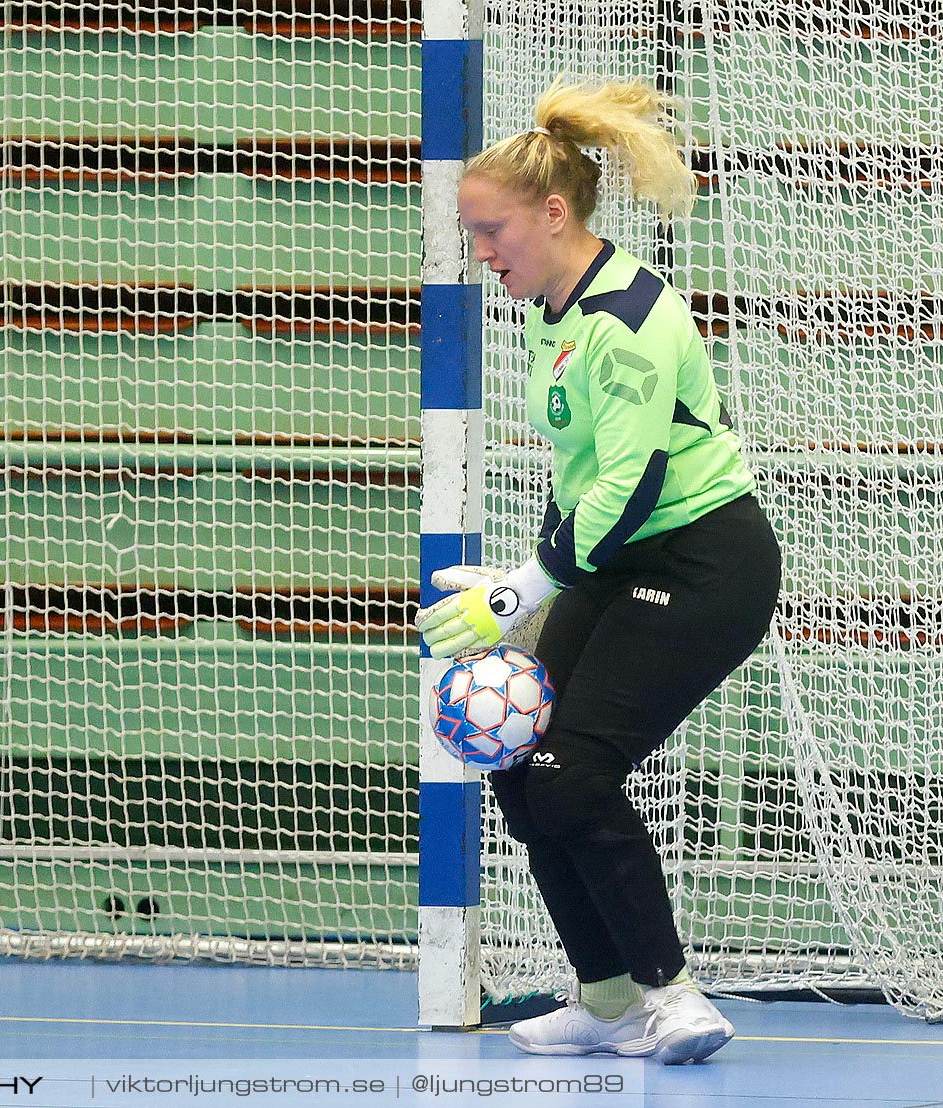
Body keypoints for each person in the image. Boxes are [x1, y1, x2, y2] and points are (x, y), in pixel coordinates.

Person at [418, 81, 780, 1064]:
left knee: (574, 772)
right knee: (518, 760)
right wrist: (531, 572)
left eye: (491, 232)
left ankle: (673, 997)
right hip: (617, 560)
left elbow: (630, 483)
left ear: (552, 213)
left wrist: (525, 592)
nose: (481, 253)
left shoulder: (628, 319)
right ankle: (610, 999)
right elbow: (581, 477)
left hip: (705, 563)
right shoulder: (551, 305)